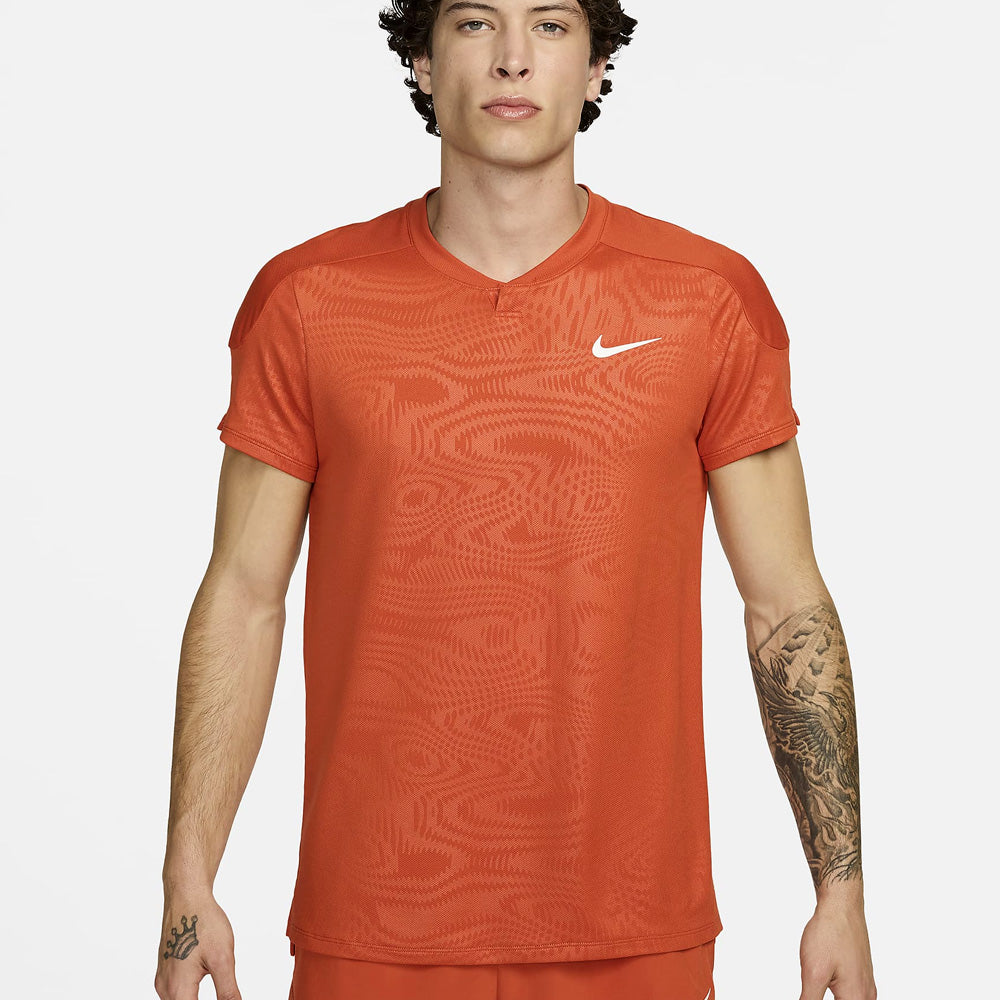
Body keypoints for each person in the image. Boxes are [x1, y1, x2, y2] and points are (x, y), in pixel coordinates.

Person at [156, 2, 878, 998]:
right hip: (375, 923)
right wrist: (188, 878)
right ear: (420, 59)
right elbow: (242, 597)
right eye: (472, 23)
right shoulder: (308, 298)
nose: (510, 59)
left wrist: (840, 891)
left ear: (595, 65)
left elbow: (784, 606)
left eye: (547, 25)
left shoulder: (706, 298)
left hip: (635, 928)